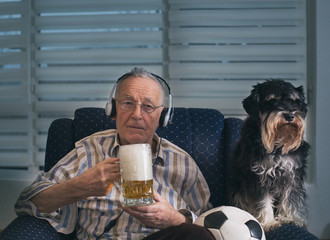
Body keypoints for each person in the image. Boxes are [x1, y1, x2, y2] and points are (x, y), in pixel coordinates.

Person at [15, 67, 214, 240]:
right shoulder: (89, 150)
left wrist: (177, 219)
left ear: (162, 115)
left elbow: (210, 224)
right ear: (113, 108)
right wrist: (81, 186)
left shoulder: (183, 163)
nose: (137, 115)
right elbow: (26, 203)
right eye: (127, 103)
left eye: (148, 106)